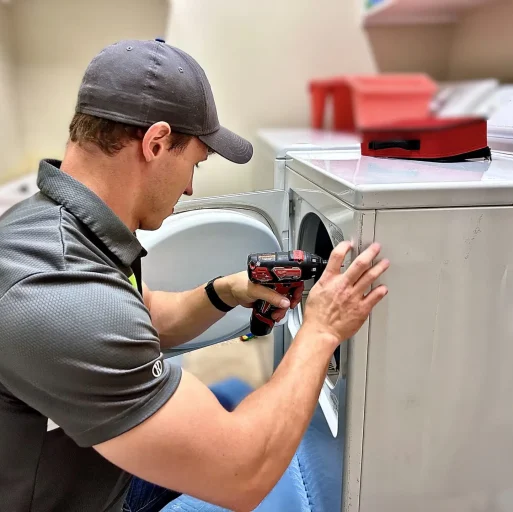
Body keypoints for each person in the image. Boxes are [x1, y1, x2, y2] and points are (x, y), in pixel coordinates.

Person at [0, 39, 389, 512]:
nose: (189, 187)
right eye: (194, 164)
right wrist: (322, 329)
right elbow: (243, 474)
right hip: (92, 500)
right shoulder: (60, 294)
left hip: (102, 466)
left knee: (232, 397)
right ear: (156, 143)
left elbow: (140, 318)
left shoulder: (60, 226)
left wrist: (225, 292)